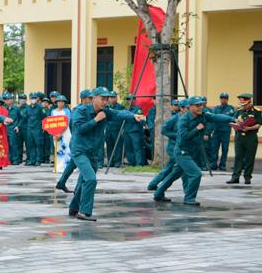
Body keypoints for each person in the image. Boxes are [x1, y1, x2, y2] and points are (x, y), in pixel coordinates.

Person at [67, 87, 146, 221]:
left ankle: (74, 207)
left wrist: (134, 116)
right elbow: (79, 129)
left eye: (107, 99)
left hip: (93, 152)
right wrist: (96, 120)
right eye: (103, 99)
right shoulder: (80, 111)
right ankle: (84, 212)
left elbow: (118, 114)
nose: (105, 102)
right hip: (80, 150)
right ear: (94, 98)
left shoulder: (105, 111)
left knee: (83, 180)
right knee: (91, 179)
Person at [171, 96, 236, 205]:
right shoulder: (183, 119)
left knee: (174, 174)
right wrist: (197, 129)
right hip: (182, 151)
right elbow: (185, 136)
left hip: (193, 150)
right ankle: (189, 199)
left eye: (201, 105)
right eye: (197, 105)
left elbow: (216, 117)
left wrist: (232, 119)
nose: (200, 107)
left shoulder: (202, 115)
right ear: (190, 107)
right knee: (196, 174)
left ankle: (158, 193)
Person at [149, 99, 185, 201]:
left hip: (180, 148)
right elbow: (164, 130)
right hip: (173, 147)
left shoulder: (186, 118)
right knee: (172, 170)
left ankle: (153, 184)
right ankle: (158, 189)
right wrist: (176, 136)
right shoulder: (174, 119)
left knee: (169, 169)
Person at [55, 90, 90, 192]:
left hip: (80, 142)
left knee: (73, 163)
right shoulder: (77, 110)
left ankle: (61, 182)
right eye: (90, 98)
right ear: (84, 99)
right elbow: (72, 125)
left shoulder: (86, 109)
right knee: (83, 164)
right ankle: (80, 188)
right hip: (78, 142)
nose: (92, 100)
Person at [227, 93, 259, 185]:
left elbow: (258, 124)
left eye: (245, 104)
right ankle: (235, 177)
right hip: (239, 137)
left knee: (250, 158)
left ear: (250, 102)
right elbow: (234, 121)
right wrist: (235, 126)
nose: (243, 106)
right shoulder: (239, 111)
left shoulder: (257, 111)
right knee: (238, 157)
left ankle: (247, 177)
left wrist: (249, 128)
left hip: (251, 137)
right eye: (242, 104)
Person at [210, 93, 235, 171]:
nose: (223, 100)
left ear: (227, 99)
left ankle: (222, 165)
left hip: (225, 132)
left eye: (225, 98)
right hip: (216, 131)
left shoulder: (231, 109)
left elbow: (232, 118)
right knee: (214, 148)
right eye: (222, 98)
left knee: (225, 149)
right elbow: (212, 118)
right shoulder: (216, 108)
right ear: (220, 99)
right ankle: (213, 164)